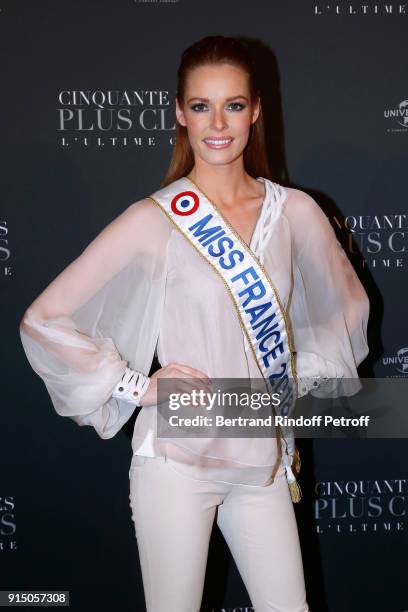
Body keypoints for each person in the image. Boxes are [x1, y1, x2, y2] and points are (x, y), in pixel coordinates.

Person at [19, 36, 370, 612]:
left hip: (261, 464)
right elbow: (43, 319)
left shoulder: (296, 212)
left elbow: (347, 310)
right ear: (180, 113)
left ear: (256, 110)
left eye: (233, 105)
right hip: (176, 463)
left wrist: (293, 383)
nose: (218, 123)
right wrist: (138, 385)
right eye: (201, 106)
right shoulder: (154, 218)